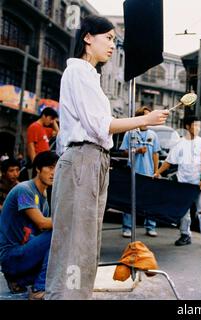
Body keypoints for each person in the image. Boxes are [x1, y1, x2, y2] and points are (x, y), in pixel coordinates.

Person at [45, 15, 169, 300]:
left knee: (85, 242)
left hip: (93, 159)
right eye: (109, 38)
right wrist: (143, 120)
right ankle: (66, 297)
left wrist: (143, 121)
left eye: (115, 40)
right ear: (88, 37)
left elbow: (102, 125)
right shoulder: (78, 73)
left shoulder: (88, 75)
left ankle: (74, 296)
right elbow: (100, 126)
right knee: (76, 243)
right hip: (82, 159)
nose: (113, 45)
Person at [0, 151, 58, 300]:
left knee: (58, 251)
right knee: (57, 234)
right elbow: (42, 223)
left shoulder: (43, 198)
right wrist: (71, 220)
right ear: (38, 169)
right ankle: (39, 289)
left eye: (57, 168)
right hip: (11, 256)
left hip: (24, 255)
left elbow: (41, 237)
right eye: (50, 167)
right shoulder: (24, 190)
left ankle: (18, 280)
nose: (54, 172)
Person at [155, 115, 201, 246]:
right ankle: (185, 235)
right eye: (195, 125)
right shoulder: (179, 143)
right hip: (183, 183)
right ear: (187, 127)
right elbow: (169, 161)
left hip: (198, 184)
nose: (198, 128)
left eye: (199, 126)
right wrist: (157, 172)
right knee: (184, 212)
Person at [119, 106, 161, 238]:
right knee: (130, 201)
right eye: (145, 115)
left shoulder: (153, 135)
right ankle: (127, 227)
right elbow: (124, 151)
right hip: (133, 173)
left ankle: (150, 226)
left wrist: (156, 171)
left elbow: (155, 154)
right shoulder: (130, 133)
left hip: (148, 173)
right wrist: (136, 151)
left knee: (150, 201)